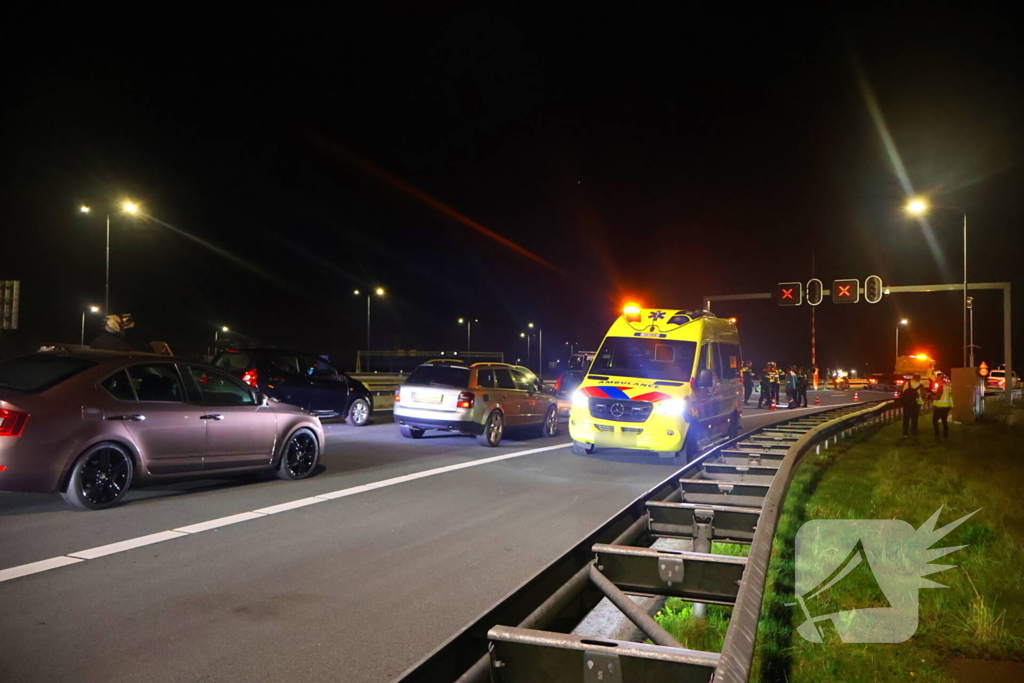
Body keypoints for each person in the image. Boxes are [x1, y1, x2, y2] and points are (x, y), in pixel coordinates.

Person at [900, 373, 926, 438]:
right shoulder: (920, 385)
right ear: (918, 378)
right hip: (916, 404)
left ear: (913, 377)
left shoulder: (906, 383)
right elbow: (923, 395)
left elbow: (901, 391)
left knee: (906, 418)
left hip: (906, 403)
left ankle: (905, 432)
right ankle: (913, 431)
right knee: (914, 418)